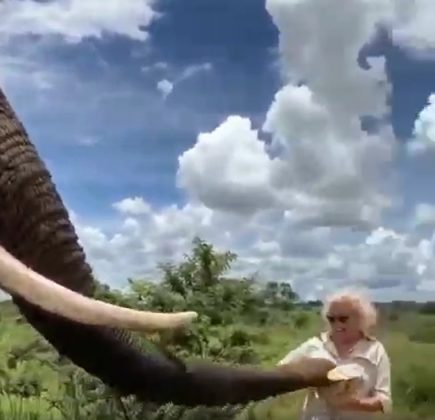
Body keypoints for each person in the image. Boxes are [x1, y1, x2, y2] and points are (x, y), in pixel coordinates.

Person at [278, 288, 392, 419]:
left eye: (343, 319)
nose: (337, 324)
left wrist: (350, 403)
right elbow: (282, 370)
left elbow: (384, 400)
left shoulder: (375, 350)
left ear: (361, 317)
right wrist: (308, 374)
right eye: (331, 319)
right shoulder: (315, 345)